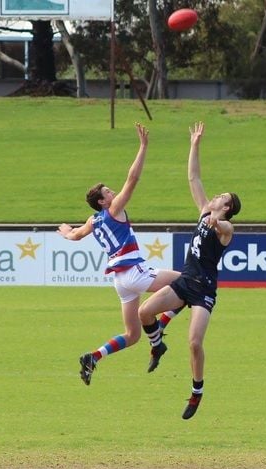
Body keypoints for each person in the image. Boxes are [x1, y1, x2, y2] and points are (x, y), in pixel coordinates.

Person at [57, 123, 183, 385]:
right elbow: (133, 179)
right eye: (108, 192)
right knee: (188, 283)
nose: (113, 192)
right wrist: (143, 146)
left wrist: (66, 231)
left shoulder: (94, 220)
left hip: (120, 282)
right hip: (134, 272)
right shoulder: (114, 210)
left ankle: (94, 356)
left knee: (132, 334)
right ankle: (159, 334)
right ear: (103, 201)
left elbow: (76, 236)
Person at [138, 121, 241, 420]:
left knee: (194, 343)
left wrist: (217, 221)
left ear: (227, 207)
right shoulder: (203, 212)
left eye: (222, 197)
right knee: (145, 313)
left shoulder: (226, 227)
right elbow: (194, 176)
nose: (216, 195)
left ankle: (197, 392)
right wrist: (194, 144)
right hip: (184, 282)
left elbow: (221, 227)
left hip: (203, 291)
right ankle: (157, 345)